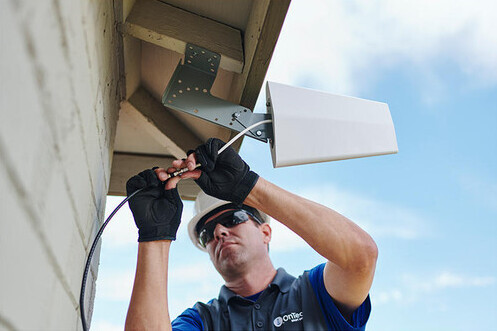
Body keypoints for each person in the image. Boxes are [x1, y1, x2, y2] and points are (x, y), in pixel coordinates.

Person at [124, 138, 378, 330]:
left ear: (265, 232)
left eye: (232, 219)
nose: (220, 231)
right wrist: (154, 237)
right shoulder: (204, 321)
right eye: (207, 232)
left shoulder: (313, 293)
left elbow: (361, 257)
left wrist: (249, 187)